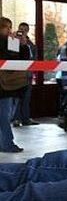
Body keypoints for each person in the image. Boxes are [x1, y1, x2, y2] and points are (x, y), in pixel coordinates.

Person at [0, 17, 30, 152]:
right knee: (5, 116)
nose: (10, 30)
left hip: (9, 84)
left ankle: (5, 143)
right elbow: (10, 59)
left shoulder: (9, 41)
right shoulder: (4, 42)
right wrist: (12, 43)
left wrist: (22, 45)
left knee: (6, 115)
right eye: (7, 27)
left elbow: (22, 60)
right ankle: (7, 144)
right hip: (4, 85)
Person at [11, 22, 39, 127]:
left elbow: (34, 58)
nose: (23, 31)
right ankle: (16, 119)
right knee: (16, 98)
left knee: (26, 98)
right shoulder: (13, 41)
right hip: (16, 75)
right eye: (21, 29)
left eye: (25, 29)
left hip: (28, 75)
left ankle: (26, 119)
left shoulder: (31, 44)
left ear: (28, 31)